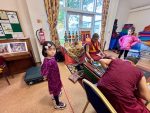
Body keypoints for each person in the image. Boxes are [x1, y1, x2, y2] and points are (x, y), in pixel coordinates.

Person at [41, 41, 66, 109]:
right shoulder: (48, 61)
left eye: (54, 49)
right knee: (55, 90)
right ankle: (57, 103)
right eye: (50, 49)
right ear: (45, 51)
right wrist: (45, 76)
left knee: (57, 87)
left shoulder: (51, 57)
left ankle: (55, 95)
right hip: (53, 79)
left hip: (56, 76)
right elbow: (44, 69)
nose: (53, 51)